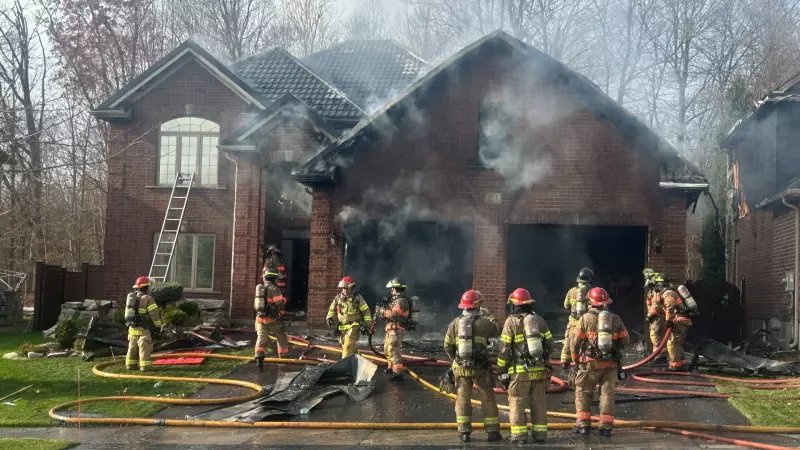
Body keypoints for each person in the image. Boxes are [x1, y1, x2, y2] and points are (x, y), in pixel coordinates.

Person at [443, 290, 502, 443]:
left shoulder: (455, 323)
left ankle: (464, 432)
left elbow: (447, 346)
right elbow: (498, 329)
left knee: (463, 399)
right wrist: (488, 315)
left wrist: (456, 361)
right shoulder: (484, 323)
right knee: (487, 398)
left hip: (461, 367)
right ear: (478, 305)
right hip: (480, 368)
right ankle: (493, 432)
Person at [570, 287, 629, 437]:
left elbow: (575, 342)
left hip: (590, 363)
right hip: (610, 365)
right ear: (606, 302)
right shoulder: (615, 318)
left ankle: (583, 425)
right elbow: (625, 340)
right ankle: (606, 427)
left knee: (583, 392)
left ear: (591, 302)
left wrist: (575, 359)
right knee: (607, 395)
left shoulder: (585, 318)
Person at [498, 288, 554, 444]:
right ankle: (540, 435)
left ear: (516, 305)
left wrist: (501, 369)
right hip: (540, 371)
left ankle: (519, 435)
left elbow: (504, 348)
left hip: (519, 372)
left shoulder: (511, 321)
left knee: (517, 402)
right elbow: (550, 345)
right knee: (539, 404)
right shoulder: (540, 321)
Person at [326, 276, 372, 358]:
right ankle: (359, 360)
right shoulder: (337, 299)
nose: (345, 290)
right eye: (343, 288)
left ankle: (344, 365)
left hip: (354, 327)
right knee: (350, 347)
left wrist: (368, 324)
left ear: (351, 287)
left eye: (347, 288)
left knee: (347, 348)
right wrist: (329, 317)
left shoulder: (357, 298)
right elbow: (331, 309)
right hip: (342, 328)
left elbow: (366, 310)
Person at [124, 276, 163, 371]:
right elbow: (154, 314)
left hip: (132, 328)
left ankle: (130, 365)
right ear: (145, 288)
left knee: (132, 348)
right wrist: (158, 326)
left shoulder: (131, 298)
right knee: (144, 348)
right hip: (143, 329)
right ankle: (144, 366)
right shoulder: (148, 298)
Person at [375, 278, 411, 380]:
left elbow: (394, 314)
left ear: (396, 288)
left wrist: (382, 311)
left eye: (392, 289)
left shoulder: (401, 301)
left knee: (394, 351)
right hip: (391, 330)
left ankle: (398, 373)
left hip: (397, 330)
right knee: (387, 349)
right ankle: (391, 368)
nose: (392, 291)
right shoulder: (396, 300)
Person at [254, 267, 288, 368]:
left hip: (260, 320)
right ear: (274, 279)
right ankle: (283, 359)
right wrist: (284, 300)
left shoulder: (260, 289)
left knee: (261, 338)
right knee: (281, 337)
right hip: (272, 320)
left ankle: (259, 358)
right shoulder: (275, 289)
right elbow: (279, 303)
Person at [658, 277, 694, 371]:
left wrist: (668, 320)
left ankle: (675, 366)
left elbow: (670, 307)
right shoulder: (671, 292)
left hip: (679, 319)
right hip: (683, 319)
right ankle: (682, 363)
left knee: (672, 343)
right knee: (677, 343)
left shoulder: (668, 293)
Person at [561, 268, 594, 368]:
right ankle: (583, 362)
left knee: (568, 340)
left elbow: (566, 305)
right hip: (585, 321)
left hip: (573, 321)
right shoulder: (591, 291)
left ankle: (564, 362)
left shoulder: (572, 291)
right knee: (586, 341)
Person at [644, 270, 666, 361]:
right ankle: (661, 356)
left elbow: (656, 305)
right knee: (659, 337)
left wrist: (649, 315)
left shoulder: (657, 290)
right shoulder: (653, 290)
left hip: (656, 318)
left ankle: (659, 357)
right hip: (658, 317)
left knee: (655, 336)